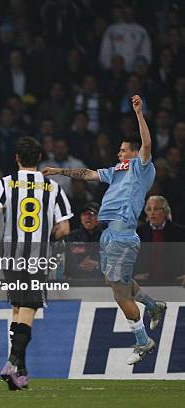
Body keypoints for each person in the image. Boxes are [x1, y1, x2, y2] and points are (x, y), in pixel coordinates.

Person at [42, 95, 166, 366]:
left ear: (133, 152)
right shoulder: (117, 170)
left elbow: (146, 143)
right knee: (114, 282)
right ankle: (155, 306)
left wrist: (139, 113)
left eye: (123, 151)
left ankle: (143, 340)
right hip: (108, 234)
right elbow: (87, 174)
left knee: (119, 293)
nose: (119, 154)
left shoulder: (141, 167)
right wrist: (59, 171)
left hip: (122, 235)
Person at [0, 136, 73, 390]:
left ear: (17, 158)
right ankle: (12, 361)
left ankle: (20, 372)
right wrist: (49, 237)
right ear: (40, 158)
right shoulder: (53, 187)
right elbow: (64, 228)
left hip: (10, 255)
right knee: (29, 310)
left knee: (19, 309)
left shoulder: (6, 183)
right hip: (37, 257)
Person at [135, 196, 185, 285]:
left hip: (175, 283)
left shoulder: (180, 233)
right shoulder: (138, 233)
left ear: (165, 212)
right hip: (145, 283)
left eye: (156, 209)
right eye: (149, 209)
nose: (152, 213)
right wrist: (134, 274)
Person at [64, 202, 105, 284]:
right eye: (84, 214)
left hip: (101, 282)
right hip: (75, 282)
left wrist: (98, 265)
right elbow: (64, 262)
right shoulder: (70, 237)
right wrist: (79, 267)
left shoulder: (106, 237)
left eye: (91, 214)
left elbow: (114, 262)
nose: (87, 217)